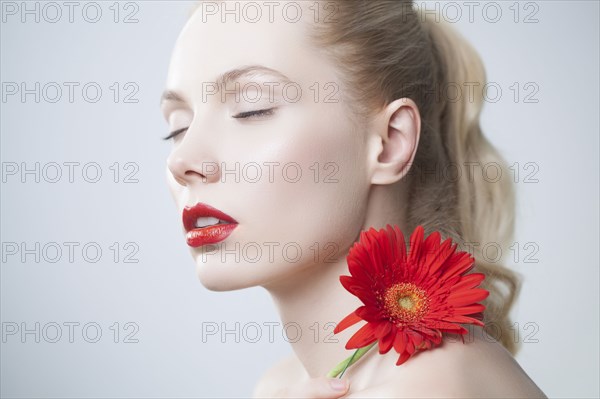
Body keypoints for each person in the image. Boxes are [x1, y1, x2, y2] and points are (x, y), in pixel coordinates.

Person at [160, 1, 547, 397]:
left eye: (251, 109)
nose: (182, 160)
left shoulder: (427, 386)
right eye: (177, 127)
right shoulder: (281, 386)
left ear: (390, 143)